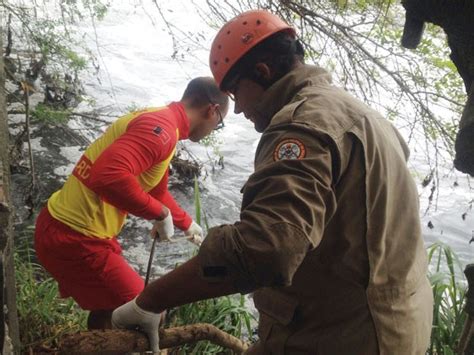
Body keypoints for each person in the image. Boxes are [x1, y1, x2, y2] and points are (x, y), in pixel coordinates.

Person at [112, 10, 433, 354]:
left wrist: (151, 299)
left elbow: (265, 249)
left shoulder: (301, 125)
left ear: (263, 73)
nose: (237, 110)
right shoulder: (366, 117)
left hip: (344, 335)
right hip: (396, 323)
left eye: (235, 92)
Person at [34, 76, 229, 330]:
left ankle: (91, 345)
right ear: (212, 110)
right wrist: (159, 214)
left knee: (110, 308)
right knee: (148, 308)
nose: (215, 129)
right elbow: (107, 176)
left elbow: (156, 190)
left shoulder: (162, 120)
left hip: (69, 228)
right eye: (220, 124)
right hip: (75, 237)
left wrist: (186, 223)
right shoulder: (162, 131)